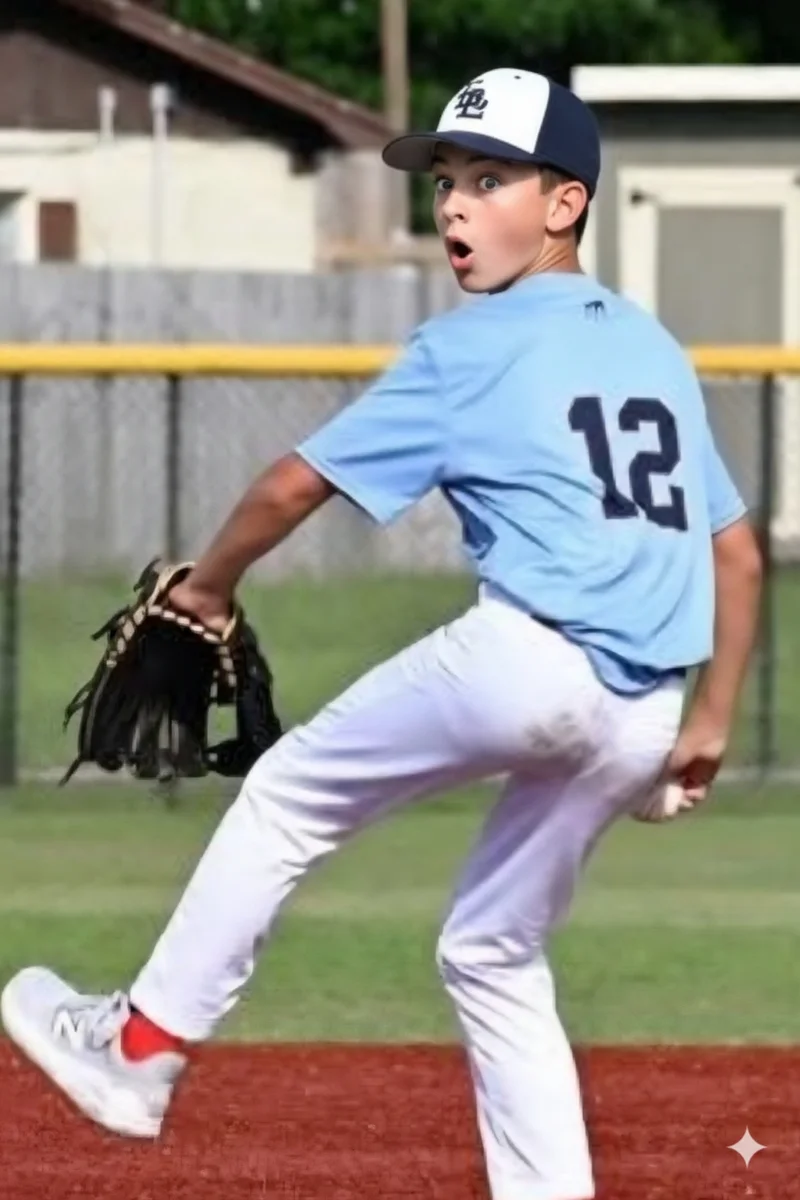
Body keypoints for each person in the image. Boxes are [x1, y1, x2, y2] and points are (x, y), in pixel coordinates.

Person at [1, 69, 761, 1200]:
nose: (453, 204)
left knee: (287, 796)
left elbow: (291, 484)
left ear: (565, 204)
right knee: (493, 947)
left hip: (524, 660)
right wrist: (708, 722)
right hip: (644, 707)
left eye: (490, 181)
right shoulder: (651, 347)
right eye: (446, 181)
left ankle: (139, 1050)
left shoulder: (470, 346)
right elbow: (735, 554)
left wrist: (208, 587)